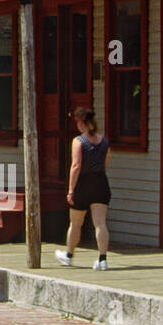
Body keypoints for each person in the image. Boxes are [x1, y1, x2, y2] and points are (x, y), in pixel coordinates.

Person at [55, 107, 112, 270]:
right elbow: (106, 163)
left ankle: (69, 255)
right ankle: (102, 259)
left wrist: (71, 189)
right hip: (101, 181)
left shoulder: (79, 141)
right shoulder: (104, 141)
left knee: (75, 223)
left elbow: (76, 165)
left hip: (84, 183)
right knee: (100, 223)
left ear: (81, 122)